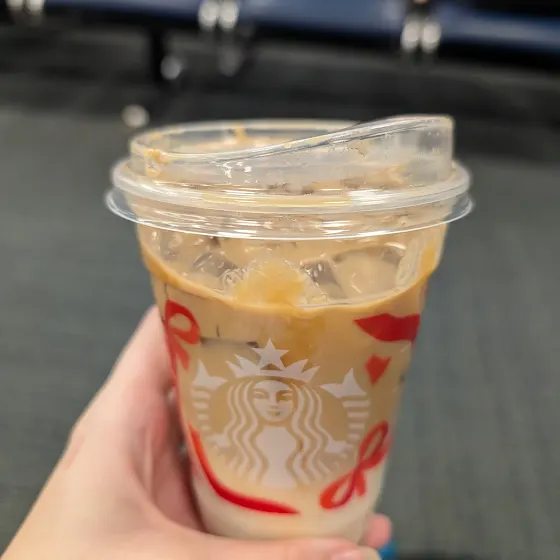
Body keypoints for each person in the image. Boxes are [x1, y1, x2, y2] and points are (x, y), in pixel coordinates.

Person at [2, 308, 391, 560]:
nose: (275, 402)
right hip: (218, 516)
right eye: (261, 393)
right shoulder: (243, 439)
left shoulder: (320, 442)